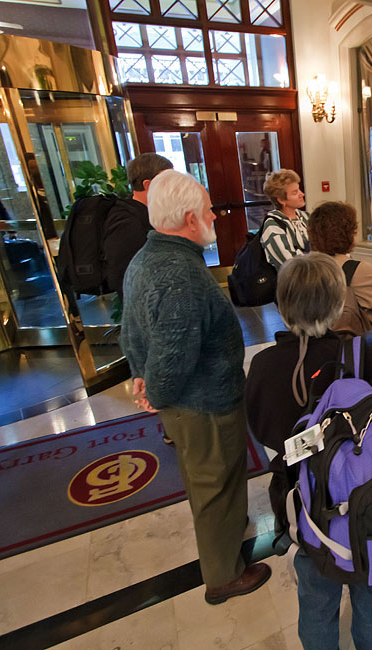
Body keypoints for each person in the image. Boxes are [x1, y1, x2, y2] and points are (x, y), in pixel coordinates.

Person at [245, 253, 372, 650]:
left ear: (282, 304)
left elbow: (259, 430)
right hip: (366, 505)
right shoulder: (361, 356)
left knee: (315, 600)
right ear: (338, 304)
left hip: (301, 506)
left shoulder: (264, 366)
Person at [120, 170, 271, 606]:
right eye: (208, 210)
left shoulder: (146, 257)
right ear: (189, 219)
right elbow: (172, 355)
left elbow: (129, 330)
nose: (213, 216)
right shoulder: (180, 273)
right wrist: (157, 391)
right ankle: (223, 575)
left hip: (188, 402)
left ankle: (229, 533)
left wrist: (141, 377)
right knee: (213, 485)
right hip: (203, 404)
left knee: (208, 478)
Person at [308, 201, 372, 335]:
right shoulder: (359, 271)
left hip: (314, 349)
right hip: (353, 350)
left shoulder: (303, 269)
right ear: (348, 234)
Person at [104, 152, 174, 297]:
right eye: (167, 182)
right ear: (148, 185)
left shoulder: (148, 213)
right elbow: (125, 275)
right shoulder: (126, 221)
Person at [261, 168, 310, 270]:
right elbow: (290, 266)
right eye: (295, 192)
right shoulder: (272, 227)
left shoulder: (306, 217)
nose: (302, 194)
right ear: (281, 200)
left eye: (299, 189)